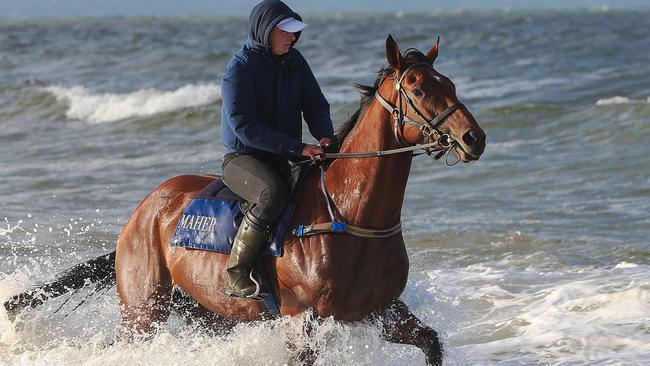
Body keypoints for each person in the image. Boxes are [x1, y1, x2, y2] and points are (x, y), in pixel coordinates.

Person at [220, 0, 335, 299]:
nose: (292, 37)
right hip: (244, 158)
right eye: (285, 31)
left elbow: (315, 103)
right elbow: (244, 126)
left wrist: (324, 137)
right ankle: (236, 273)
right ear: (265, 31)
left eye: (295, 32)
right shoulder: (239, 70)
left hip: (288, 154)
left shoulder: (296, 61)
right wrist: (298, 147)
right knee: (271, 193)